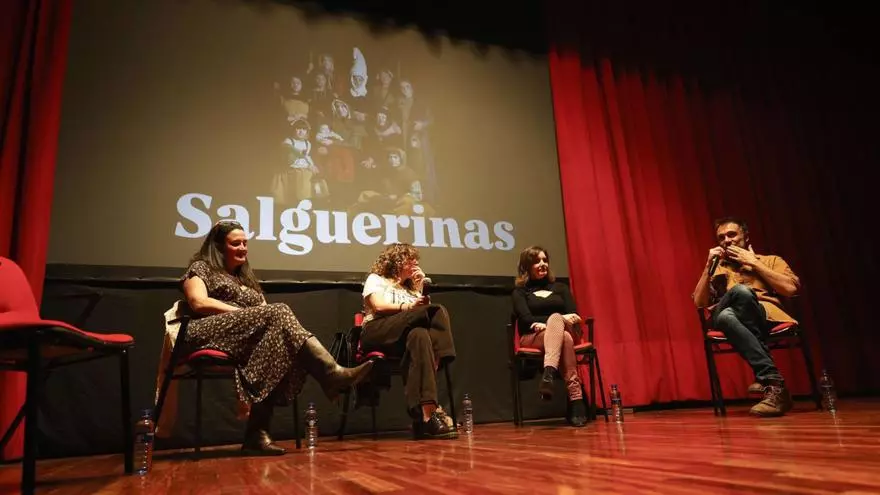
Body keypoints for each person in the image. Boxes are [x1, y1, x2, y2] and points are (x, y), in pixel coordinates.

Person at [180, 220, 374, 454]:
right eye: (235, 243)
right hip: (206, 332)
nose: (243, 248)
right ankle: (330, 373)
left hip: (246, 337)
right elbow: (198, 302)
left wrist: (258, 316)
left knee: (281, 344)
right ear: (219, 246)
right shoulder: (201, 268)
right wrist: (244, 313)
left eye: (245, 243)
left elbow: (266, 312)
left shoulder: (246, 279)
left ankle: (257, 434)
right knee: (279, 311)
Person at [693, 216, 801, 417]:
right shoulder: (717, 267)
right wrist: (708, 267)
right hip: (723, 312)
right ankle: (772, 381)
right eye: (721, 237)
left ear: (746, 236)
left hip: (763, 316)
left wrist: (754, 263)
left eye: (732, 234)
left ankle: (771, 381)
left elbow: (790, 289)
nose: (727, 240)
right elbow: (699, 303)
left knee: (727, 316)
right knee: (740, 293)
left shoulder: (771, 261)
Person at [361, 243, 458, 439]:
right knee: (437, 310)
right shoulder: (377, 279)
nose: (415, 263)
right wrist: (409, 306)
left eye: (416, 259)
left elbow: (419, 319)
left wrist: (419, 289)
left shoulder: (411, 289)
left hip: (403, 338)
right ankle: (441, 355)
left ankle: (425, 416)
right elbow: (378, 306)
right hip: (378, 331)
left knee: (419, 335)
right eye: (410, 259)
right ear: (396, 261)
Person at [511, 246, 589, 427]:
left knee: (561, 327)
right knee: (562, 332)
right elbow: (526, 319)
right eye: (537, 261)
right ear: (526, 267)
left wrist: (555, 322)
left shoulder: (560, 288)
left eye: (545, 260)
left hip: (563, 332)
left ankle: (549, 373)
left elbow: (573, 314)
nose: (542, 264)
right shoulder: (520, 292)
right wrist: (555, 322)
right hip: (533, 337)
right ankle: (576, 399)